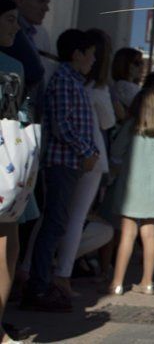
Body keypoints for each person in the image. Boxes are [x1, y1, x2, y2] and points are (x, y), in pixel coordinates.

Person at [21, 29, 97, 312]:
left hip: (71, 163)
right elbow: (62, 125)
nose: (93, 61)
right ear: (77, 54)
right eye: (90, 55)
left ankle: (40, 281)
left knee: (57, 223)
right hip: (62, 162)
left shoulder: (75, 81)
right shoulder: (64, 81)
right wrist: (87, 150)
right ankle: (38, 286)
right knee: (53, 224)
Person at [51, 29, 115, 298]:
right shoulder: (94, 88)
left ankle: (35, 267)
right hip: (90, 155)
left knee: (53, 216)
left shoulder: (70, 80)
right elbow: (109, 121)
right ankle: (62, 273)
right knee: (74, 217)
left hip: (68, 155)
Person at [107, 86, 154, 295]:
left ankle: (117, 282)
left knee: (127, 234)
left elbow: (116, 153)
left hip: (131, 187)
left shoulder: (131, 127)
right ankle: (148, 282)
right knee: (150, 235)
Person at [0, 0, 29, 344]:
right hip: (5, 166)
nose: (16, 27)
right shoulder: (13, 66)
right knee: (7, 245)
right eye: (9, 19)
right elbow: (17, 115)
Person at [0, 0, 52, 116]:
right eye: (41, 1)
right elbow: (34, 71)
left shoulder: (38, 35)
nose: (46, 8)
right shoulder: (12, 38)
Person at [110, 47, 144, 120]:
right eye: (137, 63)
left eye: (142, 63)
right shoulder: (123, 86)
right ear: (124, 64)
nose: (141, 66)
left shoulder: (131, 86)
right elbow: (145, 109)